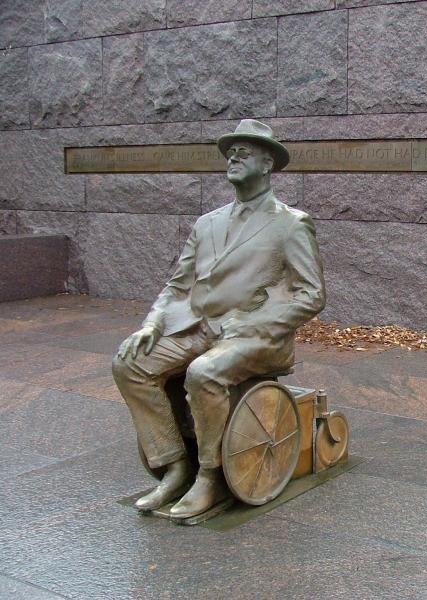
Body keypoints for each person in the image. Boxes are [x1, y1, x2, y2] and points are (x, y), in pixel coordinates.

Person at [112, 119, 325, 519]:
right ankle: (174, 465)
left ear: (267, 164)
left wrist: (255, 323)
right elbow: (177, 286)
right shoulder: (206, 223)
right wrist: (152, 324)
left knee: (204, 372)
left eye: (246, 150)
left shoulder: (290, 223)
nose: (234, 155)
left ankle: (209, 475)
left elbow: (311, 294)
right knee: (129, 364)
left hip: (253, 335)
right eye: (232, 150)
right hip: (197, 326)